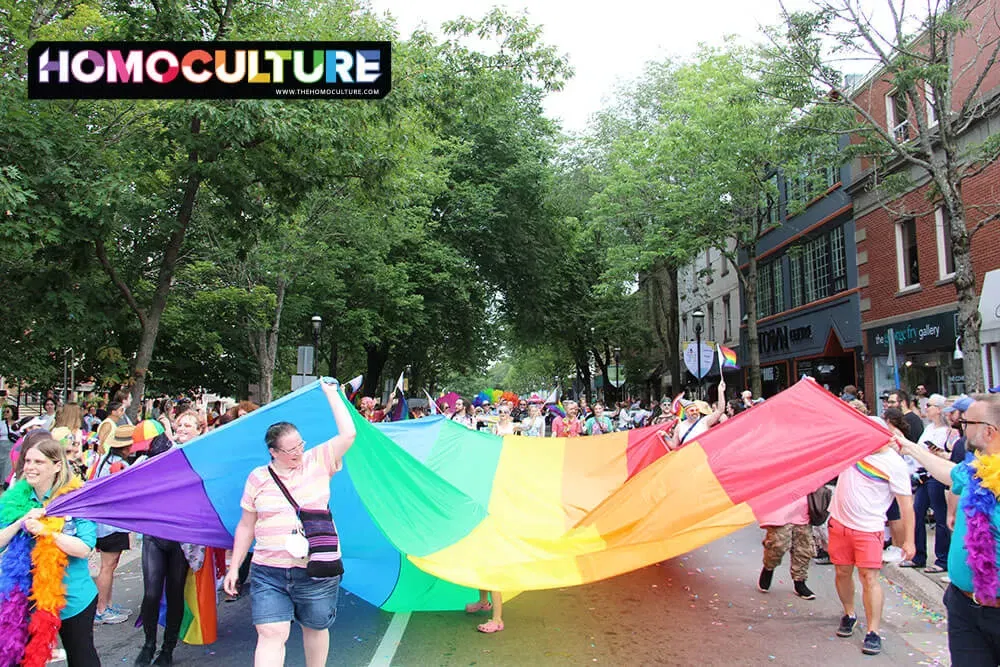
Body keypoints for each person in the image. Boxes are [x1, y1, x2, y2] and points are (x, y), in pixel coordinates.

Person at [224, 381, 356, 667]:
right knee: (272, 633)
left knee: (316, 626)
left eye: (300, 445)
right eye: (291, 449)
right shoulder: (257, 478)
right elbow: (246, 526)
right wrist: (234, 566)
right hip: (268, 571)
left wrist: (332, 394)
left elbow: (349, 433)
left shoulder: (318, 460)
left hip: (315, 570)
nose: (298, 452)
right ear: (274, 452)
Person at [896, 394, 1000, 666]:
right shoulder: (979, 470)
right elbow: (950, 472)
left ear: (989, 432)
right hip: (964, 606)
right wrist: (909, 447)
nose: (961, 426)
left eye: (968, 421)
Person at [0, 437, 100, 666]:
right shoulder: (15, 499)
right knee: (23, 658)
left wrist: (48, 532)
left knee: (82, 659)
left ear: (57, 466)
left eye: (38, 462)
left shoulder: (76, 500)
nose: (30, 467)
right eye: (27, 461)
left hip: (72, 597)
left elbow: (84, 549)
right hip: (26, 598)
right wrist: (21, 522)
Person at [828, 432, 915, 656]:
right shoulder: (851, 447)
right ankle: (849, 614)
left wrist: (909, 540)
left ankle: (873, 631)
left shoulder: (894, 464)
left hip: (869, 529)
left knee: (869, 578)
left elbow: (906, 506)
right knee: (842, 572)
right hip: (839, 522)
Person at [134, 433, 188, 667]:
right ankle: (148, 644)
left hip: (180, 539)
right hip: (154, 537)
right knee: (151, 594)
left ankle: (167, 649)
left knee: (175, 594)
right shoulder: (143, 469)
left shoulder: (185, 466)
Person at [900, 394, 956, 573]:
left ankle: (942, 559)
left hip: (937, 476)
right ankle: (919, 555)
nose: (926, 408)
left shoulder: (949, 432)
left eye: (930, 405)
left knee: (940, 516)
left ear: (939, 409)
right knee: (917, 511)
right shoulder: (929, 428)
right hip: (922, 474)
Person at [93, 426, 134, 625]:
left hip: (105, 521)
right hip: (112, 523)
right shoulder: (120, 465)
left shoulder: (104, 460)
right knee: (108, 566)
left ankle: (106, 604)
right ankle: (102, 609)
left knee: (110, 565)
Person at [757, 495, 816, 600]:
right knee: (777, 545)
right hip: (780, 510)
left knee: (803, 550)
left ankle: (799, 582)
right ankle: (768, 568)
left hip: (804, 510)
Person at [668, 380, 725, 450]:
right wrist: (664, 436)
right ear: (686, 413)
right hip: (687, 457)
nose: (695, 412)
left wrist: (720, 391)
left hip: (703, 455)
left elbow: (720, 410)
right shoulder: (679, 427)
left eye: (696, 410)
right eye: (692, 410)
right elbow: (674, 446)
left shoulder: (705, 421)